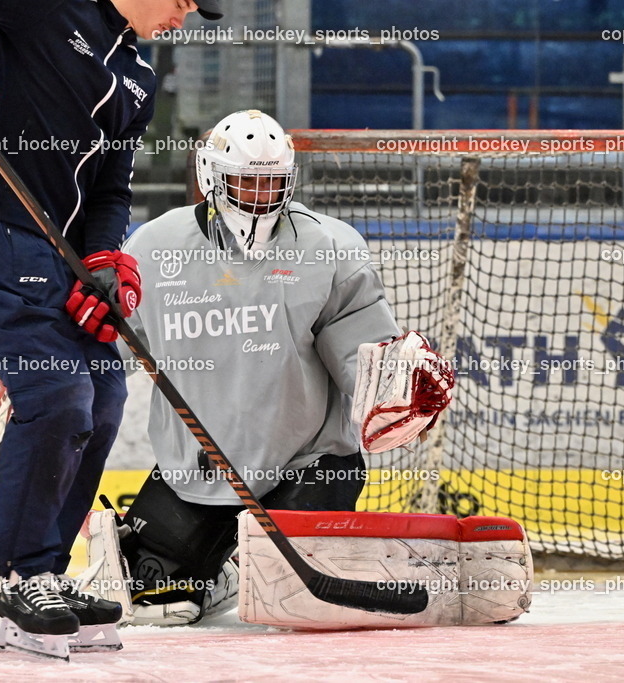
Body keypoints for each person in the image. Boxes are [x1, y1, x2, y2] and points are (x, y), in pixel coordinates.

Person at [0, 0, 224, 658]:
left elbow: (111, 189)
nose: (183, 19)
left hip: (64, 254)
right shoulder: (53, 8)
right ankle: (22, 575)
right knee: (57, 394)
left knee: (105, 396)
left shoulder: (139, 77)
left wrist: (105, 261)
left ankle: (48, 571)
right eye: (181, 3)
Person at [84, 109, 416, 625]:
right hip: (196, 470)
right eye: (246, 181)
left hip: (307, 463)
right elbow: (114, 347)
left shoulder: (328, 247)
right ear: (212, 177)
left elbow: (363, 356)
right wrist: (47, 392)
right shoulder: (153, 248)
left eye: (272, 182)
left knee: (289, 601)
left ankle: (247, 563)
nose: (260, 195)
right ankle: (227, 573)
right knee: (155, 596)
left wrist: (397, 394)